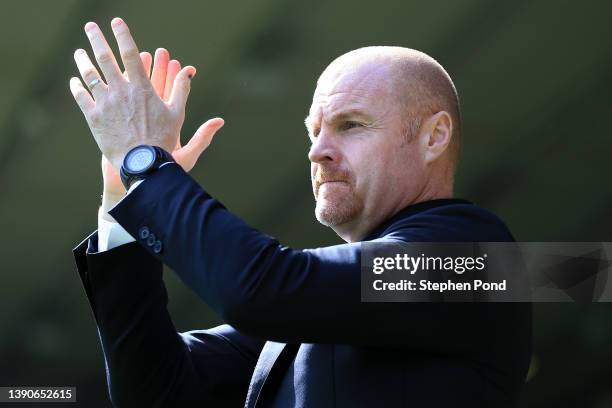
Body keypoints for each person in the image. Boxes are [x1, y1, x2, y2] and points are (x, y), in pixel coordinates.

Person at [70, 17, 531, 407]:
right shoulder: (314, 310)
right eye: (314, 132)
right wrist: (122, 210)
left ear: (434, 136)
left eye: (351, 125)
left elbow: (264, 290)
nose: (318, 152)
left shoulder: (479, 262)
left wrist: (148, 167)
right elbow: (155, 390)